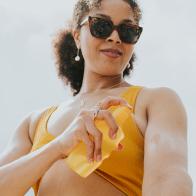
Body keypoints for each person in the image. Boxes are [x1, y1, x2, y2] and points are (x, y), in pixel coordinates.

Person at [0, 0, 193, 195]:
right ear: (77, 36)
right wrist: (58, 147)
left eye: (127, 31)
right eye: (101, 26)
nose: (115, 37)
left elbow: (169, 179)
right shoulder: (33, 125)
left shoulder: (155, 102)